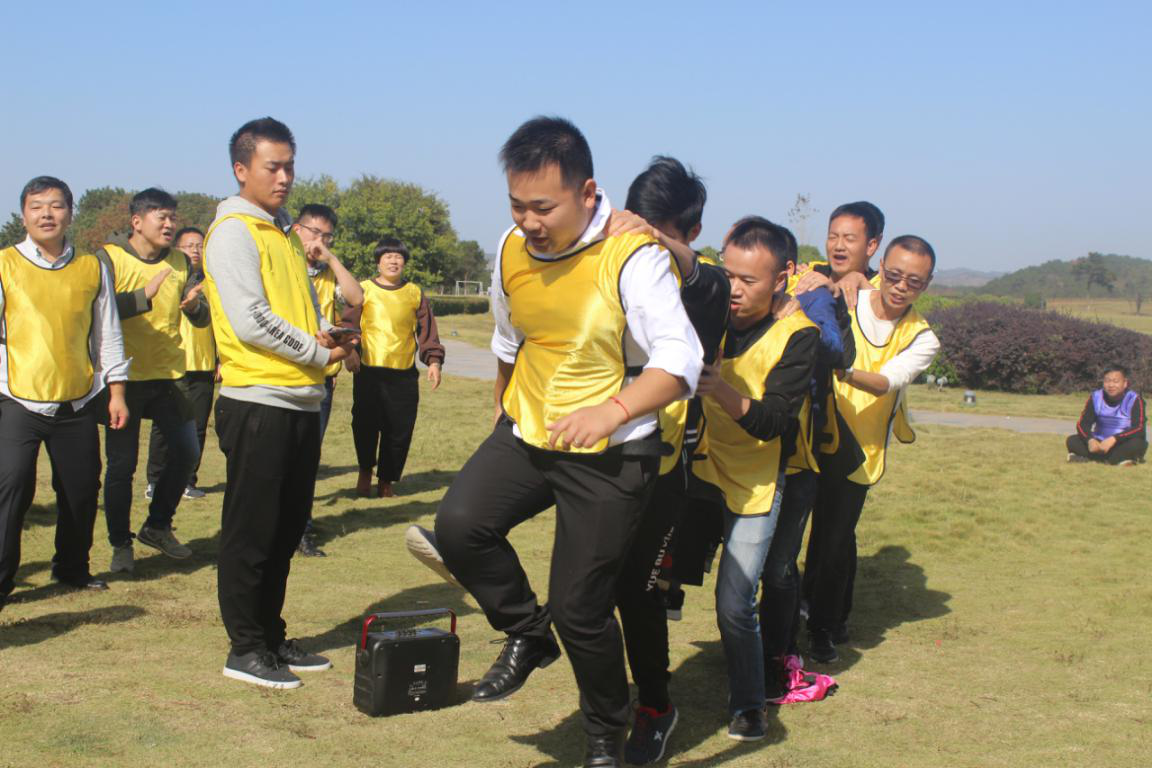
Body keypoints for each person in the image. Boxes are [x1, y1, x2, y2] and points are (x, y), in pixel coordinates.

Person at [433, 117, 702, 768]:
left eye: (543, 207)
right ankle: (528, 634)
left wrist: (612, 412)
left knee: (582, 609)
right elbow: (509, 337)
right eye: (516, 205)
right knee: (460, 526)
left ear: (587, 192)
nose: (528, 221)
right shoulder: (511, 248)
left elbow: (682, 361)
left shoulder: (632, 254)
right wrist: (502, 404)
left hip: (615, 452)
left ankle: (607, 738)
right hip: (531, 430)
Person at [203, 117, 357, 689]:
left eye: (290, 166)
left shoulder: (284, 233)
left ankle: (269, 635)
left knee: (285, 529)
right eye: (273, 166)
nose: (285, 177)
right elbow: (251, 320)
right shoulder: (233, 232)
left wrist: (328, 337)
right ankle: (244, 647)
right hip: (258, 399)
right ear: (241, 169)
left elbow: (299, 311)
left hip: (299, 400)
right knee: (252, 531)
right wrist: (316, 352)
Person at [607, 156, 729, 764]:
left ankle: (655, 706)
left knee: (639, 591)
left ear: (691, 231)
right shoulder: (610, 258)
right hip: (601, 449)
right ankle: (603, 701)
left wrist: (655, 240)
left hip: (665, 465)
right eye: (638, 222)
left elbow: (707, 281)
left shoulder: (706, 283)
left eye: (660, 229)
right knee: (589, 581)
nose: (644, 240)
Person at [692, 216, 819, 741]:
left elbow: (775, 423)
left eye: (749, 280)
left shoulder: (799, 335)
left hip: (757, 481)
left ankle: (749, 705)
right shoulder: (708, 304)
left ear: (781, 278)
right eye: (728, 276)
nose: (734, 289)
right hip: (698, 467)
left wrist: (717, 388)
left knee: (735, 600)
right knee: (653, 581)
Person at [803, 235, 941, 663]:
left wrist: (839, 367)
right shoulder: (847, 300)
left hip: (861, 450)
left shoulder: (922, 338)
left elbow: (885, 382)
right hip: (812, 435)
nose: (900, 287)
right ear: (881, 266)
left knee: (834, 539)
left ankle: (824, 627)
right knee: (795, 537)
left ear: (926, 284)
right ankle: (801, 616)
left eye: (913, 282)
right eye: (894, 275)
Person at [0, 176, 130, 611]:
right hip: (16, 397)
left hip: (77, 398)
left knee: (81, 488)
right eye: (37, 206)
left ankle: (72, 568)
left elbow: (108, 334)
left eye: (56, 206)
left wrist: (116, 392)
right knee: (12, 485)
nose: (46, 214)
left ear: (70, 214)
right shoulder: (4, 264)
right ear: (23, 215)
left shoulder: (92, 267)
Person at [757, 227, 855, 701]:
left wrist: (801, 313)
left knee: (777, 566)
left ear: (787, 271)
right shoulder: (735, 296)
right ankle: (753, 652)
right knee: (748, 566)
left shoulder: (810, 295)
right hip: (737, 454)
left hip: (795, 458)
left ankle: (778, 656)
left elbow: (834, 351)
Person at [98, 188, 210, 574]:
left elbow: (201, 316)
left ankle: (158, 526)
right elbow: (96, 311)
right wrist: (141, 296)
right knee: (121, 467)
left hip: (169, 376)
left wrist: (195, 307)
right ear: (137, 221)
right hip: (123, 378)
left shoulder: (180, 261)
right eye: (161, 217)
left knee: (187, 452)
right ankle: (120, 544)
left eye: (172, 218)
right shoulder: (109, 258)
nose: (169, 224)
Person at [345, 238, 442, 499]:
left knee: (399, 428)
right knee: (364, 424)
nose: (393, 261)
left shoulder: (414, 293)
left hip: (403, 374)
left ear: (404, 262)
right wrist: (350, 351)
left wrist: (433, 361)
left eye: (398, 257)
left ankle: (386, 480)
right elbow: (349, 325)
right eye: (387, 256)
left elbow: (427, 332)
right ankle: (365, 471)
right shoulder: (363, 289)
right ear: (378, 262)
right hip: (369, 371)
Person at [292, 204, 364, 555]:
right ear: (297, 229)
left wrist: (332, 259)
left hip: (320, 379)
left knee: (307, 458)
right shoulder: (283, 266)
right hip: (283, 375)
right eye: (314, 232)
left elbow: (356, 297)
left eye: (327, 236)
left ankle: (301, 530)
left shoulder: (328, 273)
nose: (319, 241)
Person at [145, 227, 214, 501]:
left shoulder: (213, 281)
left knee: (198, 426)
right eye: (189, 245)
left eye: (200, 245)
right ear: (176, 249)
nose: (195, 250)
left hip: (204, 363)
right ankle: (155, 480)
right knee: (163, 425)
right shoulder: (167, 277)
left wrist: (220, 360)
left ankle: (188, 480)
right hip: (172, 363)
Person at [793, 201, 885, 308]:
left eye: (849, 239)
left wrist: (860, 282)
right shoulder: (807, 274)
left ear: (871, 246)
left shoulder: (882, 286)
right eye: (832, 237)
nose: (839, 246)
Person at [1067, 366, 1147, 465]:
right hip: (1099, 442)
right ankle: (1115, 460)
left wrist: (1114, 439)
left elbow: (1139, 428)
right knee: (1072, 440)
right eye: (1107, 381)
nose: (1111, 385)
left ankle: (1093, 458)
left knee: (1137, 444)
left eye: (1115, 381)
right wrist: (1090, 440)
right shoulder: (1096, 397)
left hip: (1122, 442)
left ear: (1125, 383)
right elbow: (1082, 424)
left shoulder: (1134, 399)